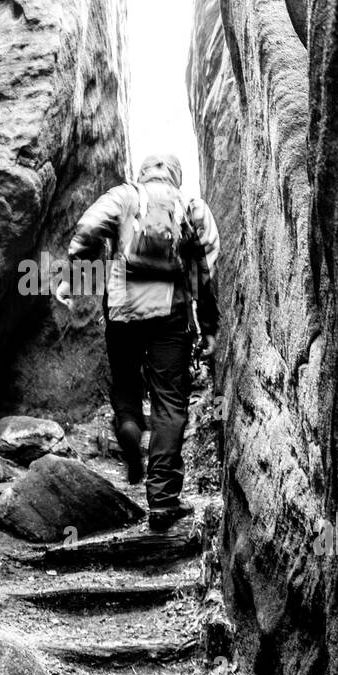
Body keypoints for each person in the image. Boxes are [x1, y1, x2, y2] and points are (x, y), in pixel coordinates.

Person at [54, 153, 220, 530]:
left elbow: (88, 229)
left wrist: (71, 276)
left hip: (123, 311)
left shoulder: (123, 197)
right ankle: (162, 502)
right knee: (169, 401)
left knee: (126, 382)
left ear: (142, 173)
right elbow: (204, 270)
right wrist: (208, 324)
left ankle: (129, 429)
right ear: (176, 176)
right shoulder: (191, 207)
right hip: (171, 315)